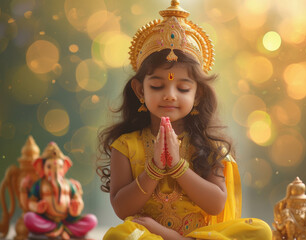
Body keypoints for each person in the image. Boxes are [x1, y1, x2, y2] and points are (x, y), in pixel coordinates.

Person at [96, 1, 272, 239]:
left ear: (197, 94)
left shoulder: (210, 146)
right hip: (150, 236)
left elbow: (216, 205)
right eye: (157, 85)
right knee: (118, 236)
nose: (170, 94)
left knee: (258, 230)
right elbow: (122, 209)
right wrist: (155, 169)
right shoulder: (125, 146)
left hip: (199, 235)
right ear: (139, 90)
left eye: (183, 88)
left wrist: (178, 166)